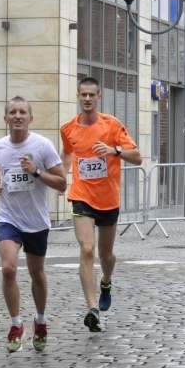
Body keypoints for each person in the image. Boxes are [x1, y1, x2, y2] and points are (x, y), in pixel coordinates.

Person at [60, 77, 142, 332]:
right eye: (82, 95)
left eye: (91, 95)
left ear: (98, 97)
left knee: (106, 254)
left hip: (108, 199)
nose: (86, 99)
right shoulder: (68, 128)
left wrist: (113, 150)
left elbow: (137, 157)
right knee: (87, 248)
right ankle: (92, 309)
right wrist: (61, 178)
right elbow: (66, 152)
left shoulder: (112, 125)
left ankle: (106, 281)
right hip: (81, 195)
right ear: (77, 97)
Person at [0, 97, 66, 353]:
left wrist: (35, 172)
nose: (18, 116)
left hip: (35, 220)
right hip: (8, 216)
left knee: (37, 273)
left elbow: (62, 183)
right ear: (6, 119)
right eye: (13, 112)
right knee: (8, 269)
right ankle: (15, 325)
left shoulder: (42, 145)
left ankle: (40, 321)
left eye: (23, 112)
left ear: (30, 118)